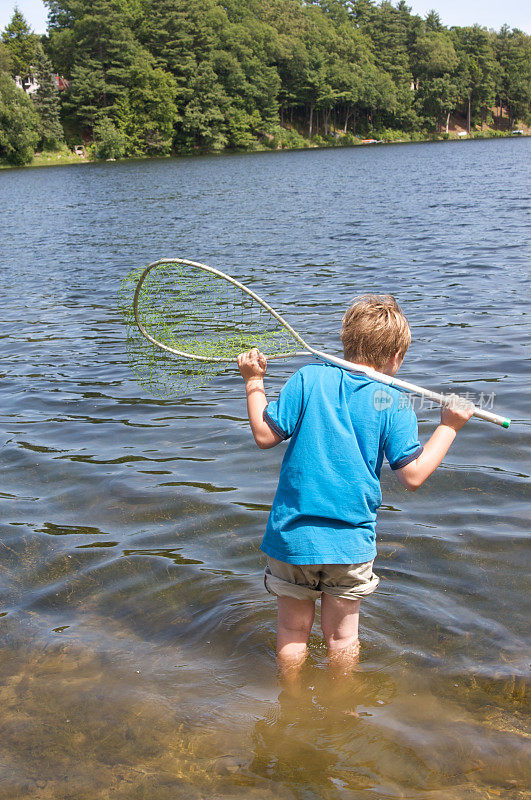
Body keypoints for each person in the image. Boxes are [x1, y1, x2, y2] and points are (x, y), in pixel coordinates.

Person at [237, 295, 474, 680]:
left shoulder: (307, 378)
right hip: (349, 543)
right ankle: (343, 712)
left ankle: (291, 702)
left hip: (292, 536)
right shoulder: (393, 398)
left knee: (292, 631)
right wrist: (449, 425)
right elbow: (412, 477)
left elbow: (265, 435)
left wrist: (254, 381)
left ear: (346, 339)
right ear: (396, 356)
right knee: (343, 639)